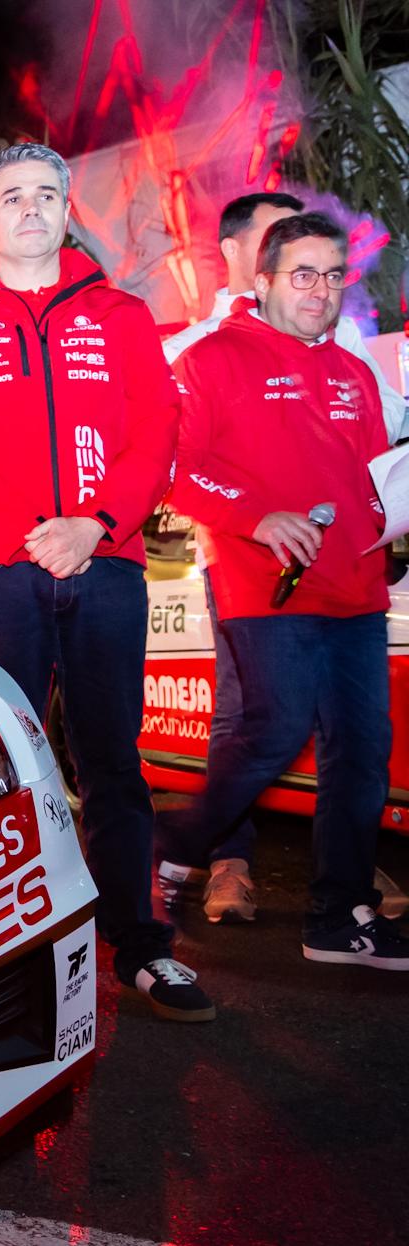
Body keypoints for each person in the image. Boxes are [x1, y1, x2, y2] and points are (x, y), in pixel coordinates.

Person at [0, 142, 213, 1021]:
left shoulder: (120, 314)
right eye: (13, 197)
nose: (32, 209)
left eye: (48, 195)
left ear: (68, 211)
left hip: (107, 564)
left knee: (115, 762)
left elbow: (157, 431)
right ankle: (1, 953)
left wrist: (96, 526)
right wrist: (31, 534)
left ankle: (140, 947)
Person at [158, 212, 407, 969]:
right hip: (265, 589)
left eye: (334, 276)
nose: (321, 290)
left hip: (357, 590)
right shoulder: (212, 360)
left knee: (362, 754)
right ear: (260, 281)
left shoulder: (355, 373)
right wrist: (258, 517)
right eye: (303, 274)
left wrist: (391, 521)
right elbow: (177, 468)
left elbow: (373, 482)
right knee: (273, 731)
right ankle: (170, 845)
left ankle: (336, 918)